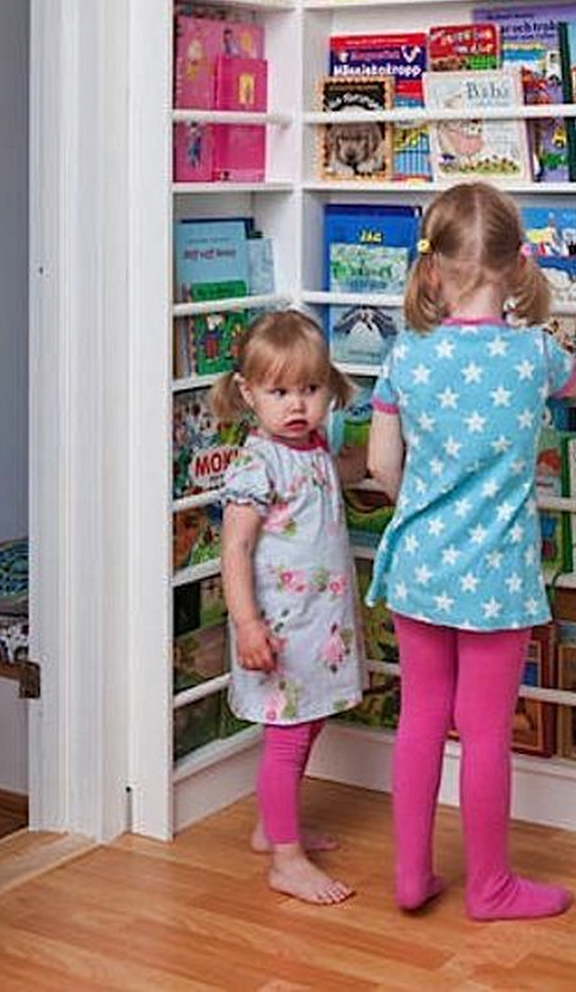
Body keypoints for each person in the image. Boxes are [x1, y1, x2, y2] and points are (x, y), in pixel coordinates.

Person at [365, 182, 576, 920]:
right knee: (485, 731)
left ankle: (408, 874)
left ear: (431, 271)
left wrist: (427, 511)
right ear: (519, 267)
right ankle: (489, 886)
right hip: (494, 577)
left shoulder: (405, 358)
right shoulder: (534, 357)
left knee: (420, 718)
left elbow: (383, 468)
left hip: (418, 568)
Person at [214, 310, 367, 905]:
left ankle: (270, 827)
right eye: (279, 392)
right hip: (279, 626)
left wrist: (390, 449)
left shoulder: (314, 446)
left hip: (319, 622)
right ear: (249, 394)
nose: (297, 404)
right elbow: (236, 548)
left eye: (310, 389)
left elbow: (337, 472)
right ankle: (285, 859)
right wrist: (247, 624)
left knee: (309, 723)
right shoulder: (257, 463)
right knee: (287, 734)